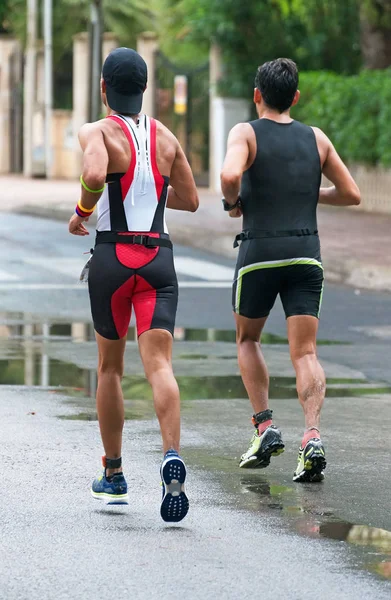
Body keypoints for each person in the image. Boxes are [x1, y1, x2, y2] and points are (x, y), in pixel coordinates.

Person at [68, 47, 199, 521]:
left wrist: (82, 213)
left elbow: (94, 173)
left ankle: (115, 474)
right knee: (160, 364)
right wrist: (152, 187)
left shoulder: (97, 131)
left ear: (103, 88)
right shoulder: (166, 137)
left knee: (110, 369)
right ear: (143, 89)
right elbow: (190, 199)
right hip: (158, 257)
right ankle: (170, 454)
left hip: (113, 258)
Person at [220, 58, 360, 482]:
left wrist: (232, 204)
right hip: (305, 254)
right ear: (295, 97)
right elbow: (351, 193)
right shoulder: (316, 139)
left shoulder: (245, 132)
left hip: (260, 251)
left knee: (248, 338)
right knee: (306, 353)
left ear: (257, 95)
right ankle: (312, 436)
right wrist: (305, 191)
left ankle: (264, 427)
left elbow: (229, 175)